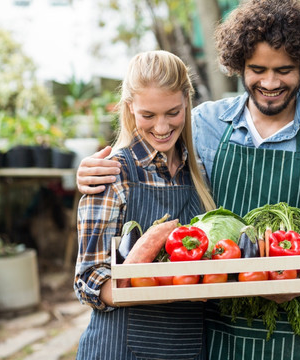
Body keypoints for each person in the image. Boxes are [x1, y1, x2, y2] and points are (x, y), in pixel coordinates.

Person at [76, 0, 300, 359]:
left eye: (285, 70)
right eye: (257, 69)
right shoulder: (204, 124)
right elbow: (151, 146)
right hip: (215, 329)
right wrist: (95, 171)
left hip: (298, 325)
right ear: (239, 65)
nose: (270, 82)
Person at [74, 50, 216, 360]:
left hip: (186, 347)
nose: (162, 127)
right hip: (120, 349)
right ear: (130, 108)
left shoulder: (198, 172)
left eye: (173, 112)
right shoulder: (113, 174)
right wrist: (158, 287)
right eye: (148, 115)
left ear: (188, 102)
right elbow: (88, 280)